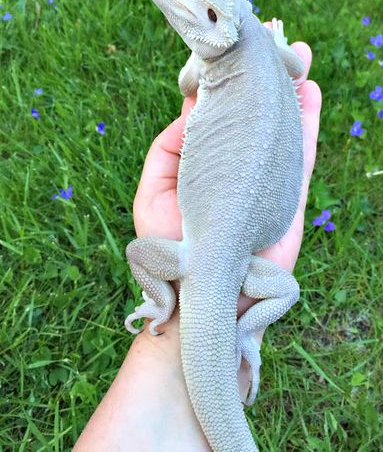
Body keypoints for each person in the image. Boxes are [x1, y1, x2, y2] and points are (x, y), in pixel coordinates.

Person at [74, 32, 322, 451]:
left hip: (197, 259)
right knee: (287, 289)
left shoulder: (215, 55)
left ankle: (164, 304)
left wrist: (164, 303)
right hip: (239, 264)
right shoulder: (254, 46)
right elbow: (295, 68)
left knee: (138, 251)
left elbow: (188, 84)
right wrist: (244, 330)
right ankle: (242, 334)